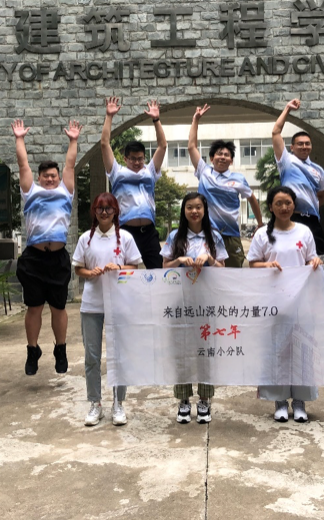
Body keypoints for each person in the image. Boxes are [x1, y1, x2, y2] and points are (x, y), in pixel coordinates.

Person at [247, 186, 323, 423]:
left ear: (294, 205)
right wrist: (267, 265)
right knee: (277, 350)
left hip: (301, 300)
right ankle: (279, 401)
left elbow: (311, 258)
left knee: (302, 350)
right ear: (270, 207)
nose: (284, 207)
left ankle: (300, 401)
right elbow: (252, 263)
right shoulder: (262, 234)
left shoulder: (304, 231)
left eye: (288, 203)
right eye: (278, 203)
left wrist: (315, 262)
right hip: (274, 302)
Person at [12, 118, 80, 376]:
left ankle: (60, 349)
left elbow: (70, 164)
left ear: (58, 177)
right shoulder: (31, 192)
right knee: (34, 307)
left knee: (58, 307)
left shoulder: (66, 192)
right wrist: (20, 138)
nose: (50, 179)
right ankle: (32, 350)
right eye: (46, 176)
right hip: (34, 258)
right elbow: (23, 164)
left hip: (58, 259)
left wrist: (73, 141)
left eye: (54, 176)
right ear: (39, 178)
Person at [72, 193, 142, 426]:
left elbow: (135, 266)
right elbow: (78, 268)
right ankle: (95, 403)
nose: (104, 212)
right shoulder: (86, 238)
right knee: (92, 357)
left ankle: (118, 403)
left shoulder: (125, 238)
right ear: (94, 211)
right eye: (100, 208)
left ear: (115, 212)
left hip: (119, 304)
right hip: (91, 305)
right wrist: (90, 273)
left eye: (108, 208)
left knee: (119, 356)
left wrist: (119, 267)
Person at [161, 192, 228, 424]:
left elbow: (223, 269)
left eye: (198, 207)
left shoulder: (214, 236)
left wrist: (210, 259)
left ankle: (204, 401)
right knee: (181, 351)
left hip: (206, 303)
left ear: (204, 210)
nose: (194, 211)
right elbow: (164, 267)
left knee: (205, 351)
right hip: (180, 303)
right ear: (184, 211)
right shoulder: (175, 236)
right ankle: (183, 401)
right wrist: (179, 260)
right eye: (189, 207)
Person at [188, 104, 263, 267]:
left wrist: (260, 223)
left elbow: (252, 199)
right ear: (211, 158)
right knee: (205, 271)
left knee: (233, 272)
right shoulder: (204, 171)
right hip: (206, 234)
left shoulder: (239, 178)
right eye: (219, 154)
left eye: (226, 155)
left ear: (231, 160)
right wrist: (196, 120)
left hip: (231, 234)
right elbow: (191, 146)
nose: (222, 157)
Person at [101, 97, 167, 269]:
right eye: (133, 159)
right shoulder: (117, 172)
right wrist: (109, 116)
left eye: (140, 158)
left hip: (149, 231)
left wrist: (156, 120)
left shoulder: (150, 171)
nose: (137, 162)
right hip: (125, 231)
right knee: (125, 273)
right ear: (125, 159)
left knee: (157, 271)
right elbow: (104, 144)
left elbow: (162, 146)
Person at [271, 100, 324, 259]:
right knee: (291, 257)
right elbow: (276, 132)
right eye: (300, 144)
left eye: (307, 144)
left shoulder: (318, 170)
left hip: (312, 219)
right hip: (291, 217)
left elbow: (322, 196)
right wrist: (287, 109)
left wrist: (310, 206)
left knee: (318, 258)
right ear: (292, 147)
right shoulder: (286, 161)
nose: (304, 147)